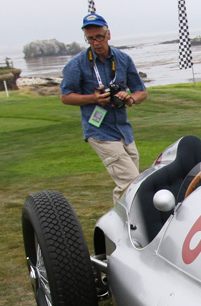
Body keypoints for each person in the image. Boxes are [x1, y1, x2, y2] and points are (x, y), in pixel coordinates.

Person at [61, 13, 148, 202]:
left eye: (99, 36)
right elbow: (65, 97)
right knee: (132, 182)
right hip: (99, 131)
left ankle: (118, 223)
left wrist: (129, 99)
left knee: (128, 185)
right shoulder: (75, 65)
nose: (96, 42)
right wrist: (93, 98)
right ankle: (130, 224)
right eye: (90, 38)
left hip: (124, 131)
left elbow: (141, 92)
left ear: (108, 35)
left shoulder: (123, 59)